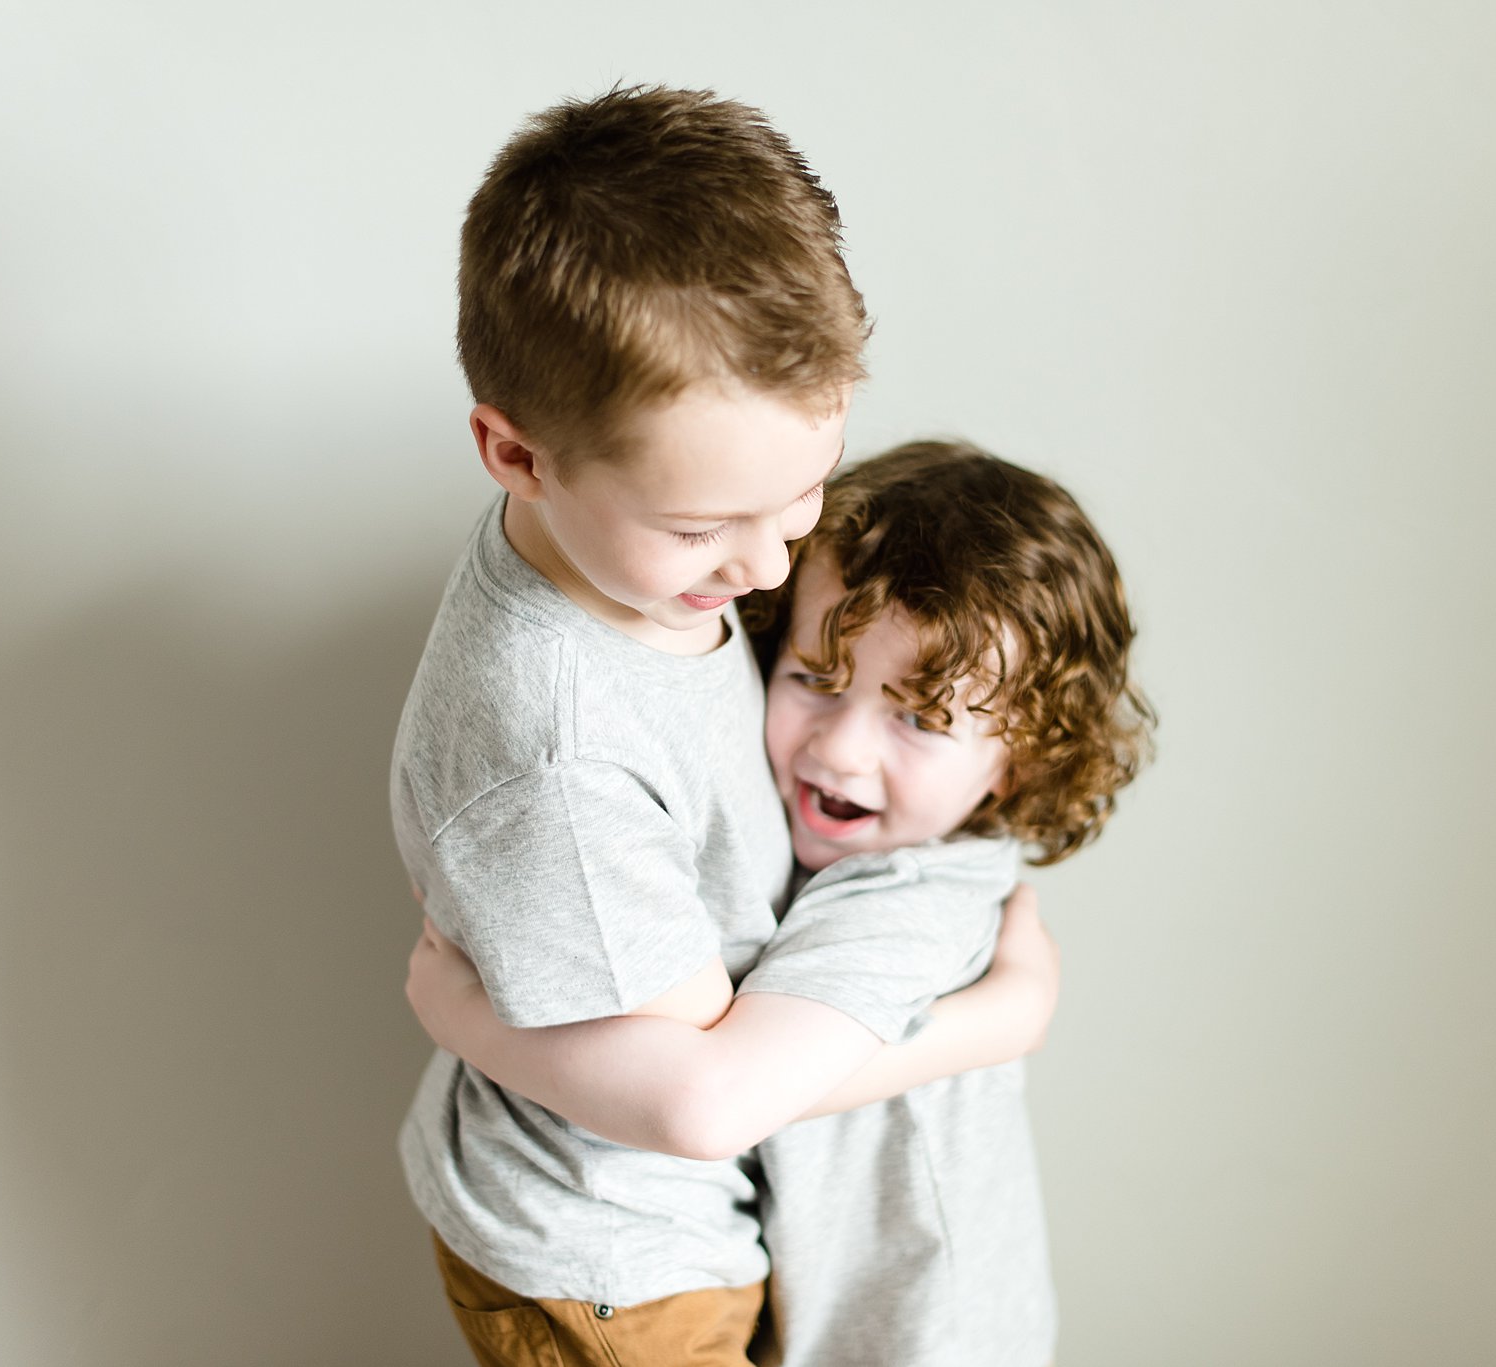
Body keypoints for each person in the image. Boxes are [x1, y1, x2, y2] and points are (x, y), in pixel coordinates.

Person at [393, 86, 1060, 1367]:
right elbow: (702, 1096)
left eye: (801, 494)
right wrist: (998, 1016)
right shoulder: (557, 750)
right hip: (614, 1255)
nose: (765, 569)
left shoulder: (645, 573)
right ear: (515, 454)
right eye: (704, 527)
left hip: (677, 1224)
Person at [408, 440, 1156, 1367]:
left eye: (920, 720)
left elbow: (725, 1095)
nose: (841, 750)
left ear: (1022, 763)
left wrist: (469, 1018)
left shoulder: (908, 904)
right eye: (817, 678)